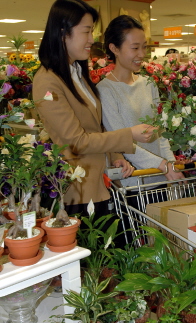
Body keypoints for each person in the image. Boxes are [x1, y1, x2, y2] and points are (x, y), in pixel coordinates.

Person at [32, 0, 155, 220]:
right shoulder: (48, 81)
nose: (92, 40)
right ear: (63, 32)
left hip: (100, 182)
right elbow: (76, 141)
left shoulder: (76, 72)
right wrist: (129, 135)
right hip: (78, 190)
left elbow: (95, 127)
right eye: (86, 32)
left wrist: (115, 155)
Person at [97, 15, 184, 194]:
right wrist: (162, 164)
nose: (141, 54)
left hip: (160, 176)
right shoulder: (105, 90)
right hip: (132, 182)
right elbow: (120, 142)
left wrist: (170, 164)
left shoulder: (148, 83)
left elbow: (161, 133)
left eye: (144, 47)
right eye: (135, 48)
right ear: (114, 48)